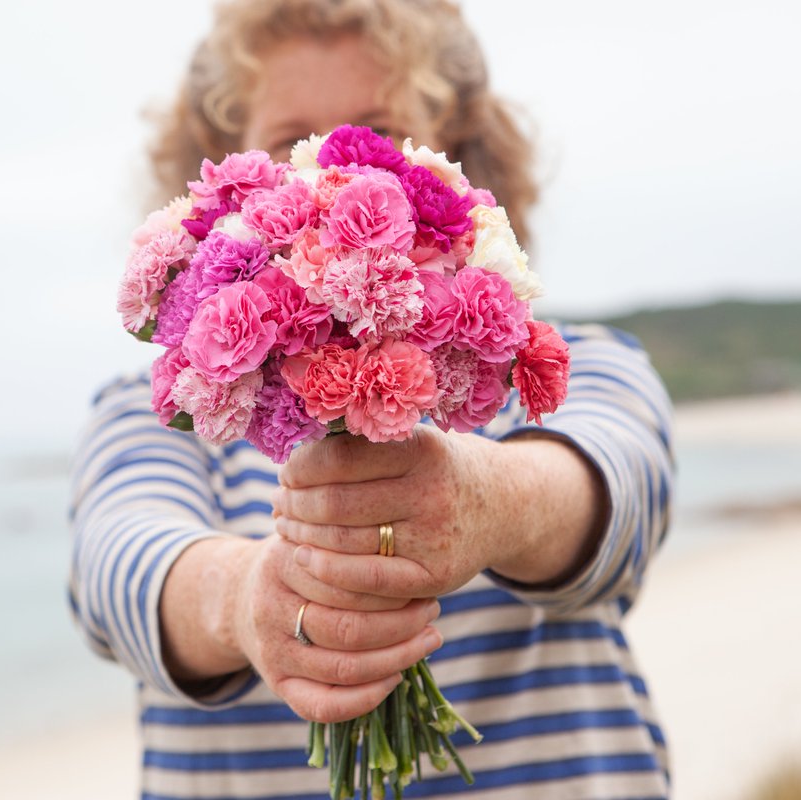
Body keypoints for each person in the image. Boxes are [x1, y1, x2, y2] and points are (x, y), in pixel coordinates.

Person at [68, 1, 674, 798]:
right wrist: (245, 601)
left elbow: (625, 492)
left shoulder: (561, 362)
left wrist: (492, 502)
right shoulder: (166, 403)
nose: (333, 169)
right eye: (290, 141)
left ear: (451, 155)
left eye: (377, 133)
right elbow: (115, 569)